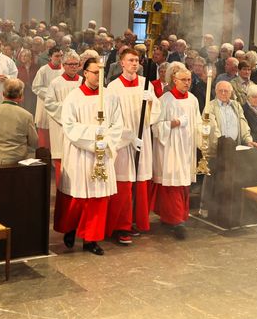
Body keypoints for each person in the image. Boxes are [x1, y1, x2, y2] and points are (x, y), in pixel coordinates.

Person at [54, 56, 126, 255]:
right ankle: (70, 229)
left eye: (101, 72)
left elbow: (117, 124)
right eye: (95, 72)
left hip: (102, 154)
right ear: (85, 73)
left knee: (98, 198)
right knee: (78, 197)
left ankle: (91, 239)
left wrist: (106, 141)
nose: (98, 76)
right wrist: (95, 135)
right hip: (80, 154)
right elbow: (69, 126)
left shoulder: (110, 97)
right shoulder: (73, 97)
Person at [104, 48, 160, 244]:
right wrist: (126, 137)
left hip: (142, 137)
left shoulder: (146, 85)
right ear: (122, 63)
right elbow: (109, 118)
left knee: (140, 182)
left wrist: (151, 102)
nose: (134, 63)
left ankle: (136, 221)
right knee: (123, 184)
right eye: (130, 60)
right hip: (122, 141)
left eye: (137, 60)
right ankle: (119, 226)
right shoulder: (113, 87)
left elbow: (155, 113)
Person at [151, 62, 202, 239]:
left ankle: (178, 217)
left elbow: (198, 123)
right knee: (172, 185)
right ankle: (176, 220)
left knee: (184, 184)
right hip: (170, 148)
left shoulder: (193, 100)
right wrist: (175, 123)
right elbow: (155, 127)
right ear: (174, 79)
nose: (187, 83)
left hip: (186, 148)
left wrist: (203, 133)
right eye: (184, 80)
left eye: (189, 80)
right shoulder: (165, 100)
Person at [43, 51, 81, 185]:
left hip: (78, 126)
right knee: (61, 160)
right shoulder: (55, 83)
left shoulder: (83, 82)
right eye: (70, 64)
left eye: (76, 64)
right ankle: (61, 192)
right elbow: (49, 104)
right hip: (60, 127)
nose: (73, 67)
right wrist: (68, 110)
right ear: (64, 65)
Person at [0, 78, 39, 167]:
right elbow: (33, 142)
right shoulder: (26, 116)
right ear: (21, 96)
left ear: (3, 94)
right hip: (16, 163)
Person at [203, 79, 254, 150]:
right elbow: (212, 128)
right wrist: (222, 144)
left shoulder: (236, 105)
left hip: (236, 148)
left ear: (231, 93)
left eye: (226, 91)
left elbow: (243, 125)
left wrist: (248, 140)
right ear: (216, 92)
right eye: (220, 91)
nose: (223, 93)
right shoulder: (210, 107)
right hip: (218, 149)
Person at [31, 47, 64, 149]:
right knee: (45, 138)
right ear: (50, 57)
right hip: (45, 107)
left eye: (61, 56)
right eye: (57, 56)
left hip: (59, 106)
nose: (59, 58)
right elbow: (36, 87)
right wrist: (51, 94)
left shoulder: (64, 70)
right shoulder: (43, 70)